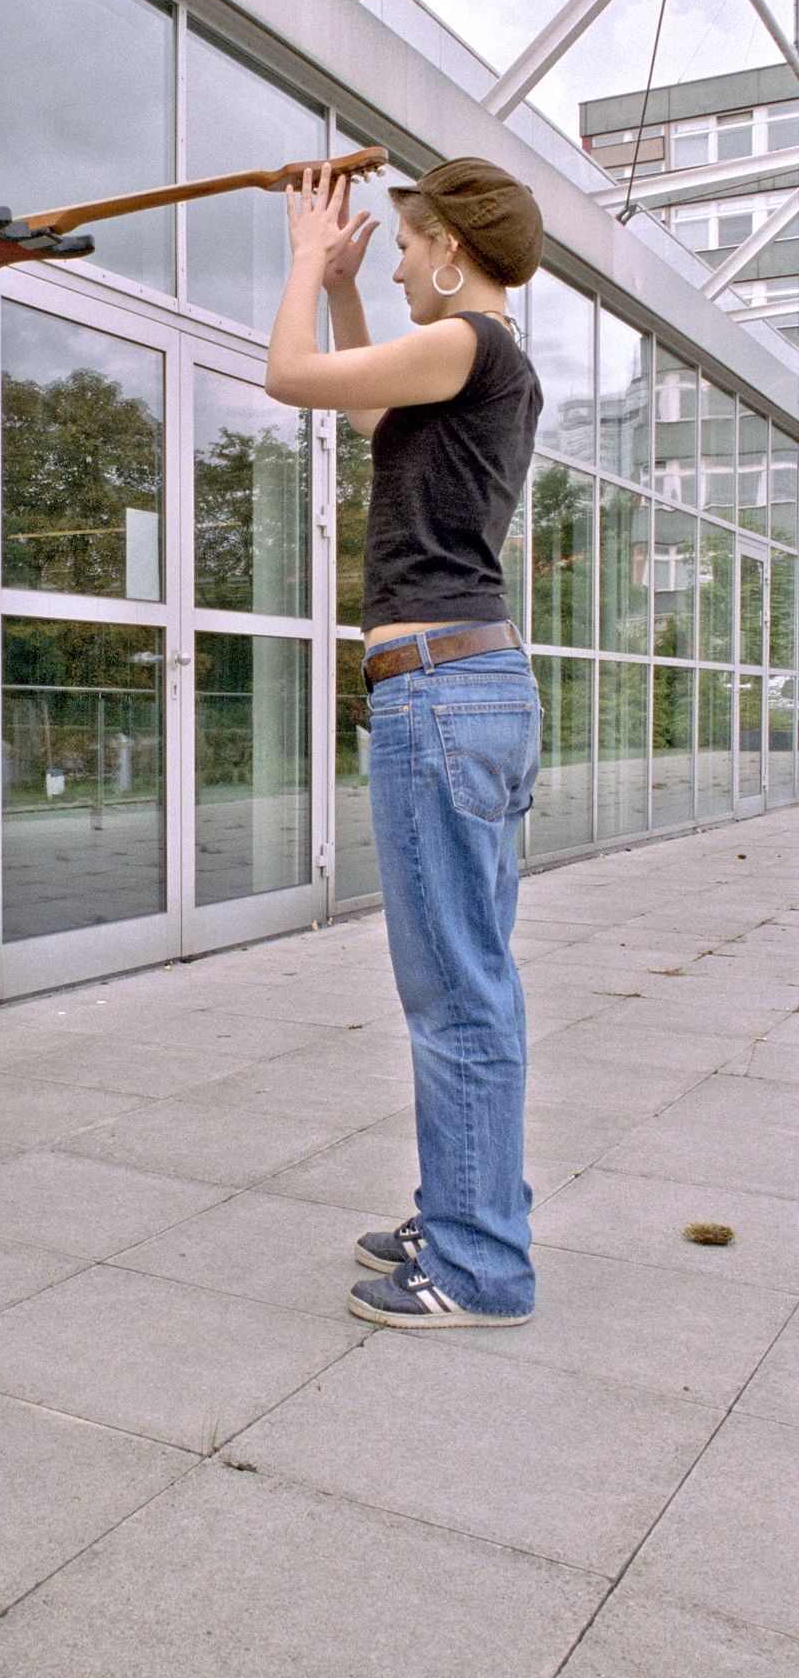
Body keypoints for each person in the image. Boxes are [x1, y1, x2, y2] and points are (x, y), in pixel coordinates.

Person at [266, 158, 544, 1325]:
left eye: (407, 246)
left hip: (441, 694)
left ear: (452, 250)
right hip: (467, 691)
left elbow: (290, 378)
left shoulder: (470, 343)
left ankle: (479, 1268)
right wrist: (338, 284)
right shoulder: (478, 361)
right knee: (473, 981)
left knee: (456, 996)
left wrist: (301, 259)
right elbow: (369, 410)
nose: (396, 265)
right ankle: (468, 1214)